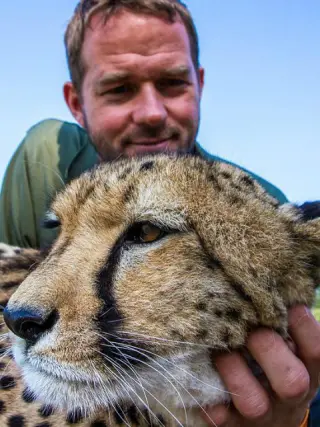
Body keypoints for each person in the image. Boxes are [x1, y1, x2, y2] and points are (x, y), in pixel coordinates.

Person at [0, 1, 319, 425]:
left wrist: (294, 419)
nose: (151, 113)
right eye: (119, 88)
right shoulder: (46, 155)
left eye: (171, 83)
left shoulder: (257, 210)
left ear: (199, 85)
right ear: (76, 102)